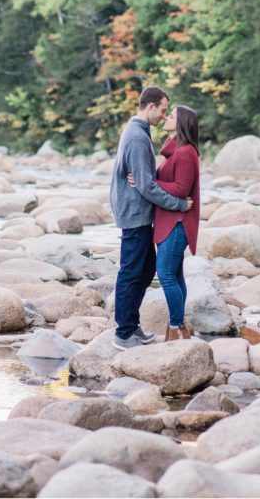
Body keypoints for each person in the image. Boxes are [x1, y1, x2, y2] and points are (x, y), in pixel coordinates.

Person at [109, 86, 193, 350]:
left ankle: (132, 326)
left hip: (138, 212)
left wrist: (149, 179)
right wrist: (179, 204)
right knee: (132, 272)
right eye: (163, 110)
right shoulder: (136, 136)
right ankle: (123, 334)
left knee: (145, 270)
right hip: (134, 215)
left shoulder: (139, 132)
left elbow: (145, 181)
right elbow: (145, 187)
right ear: (150, 106)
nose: (164, 115)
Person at [128, 104, 200, 341]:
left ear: (182, 124)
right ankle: (181, 329)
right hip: (169, 221)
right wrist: (144, 180)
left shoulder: (186, 152)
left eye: (172, 115)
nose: (167, 117)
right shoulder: (174, 151)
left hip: (177, 222)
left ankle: (176, 327)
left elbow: (181, 189)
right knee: (175, 274)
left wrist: (146, 182)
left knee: (166, 275)